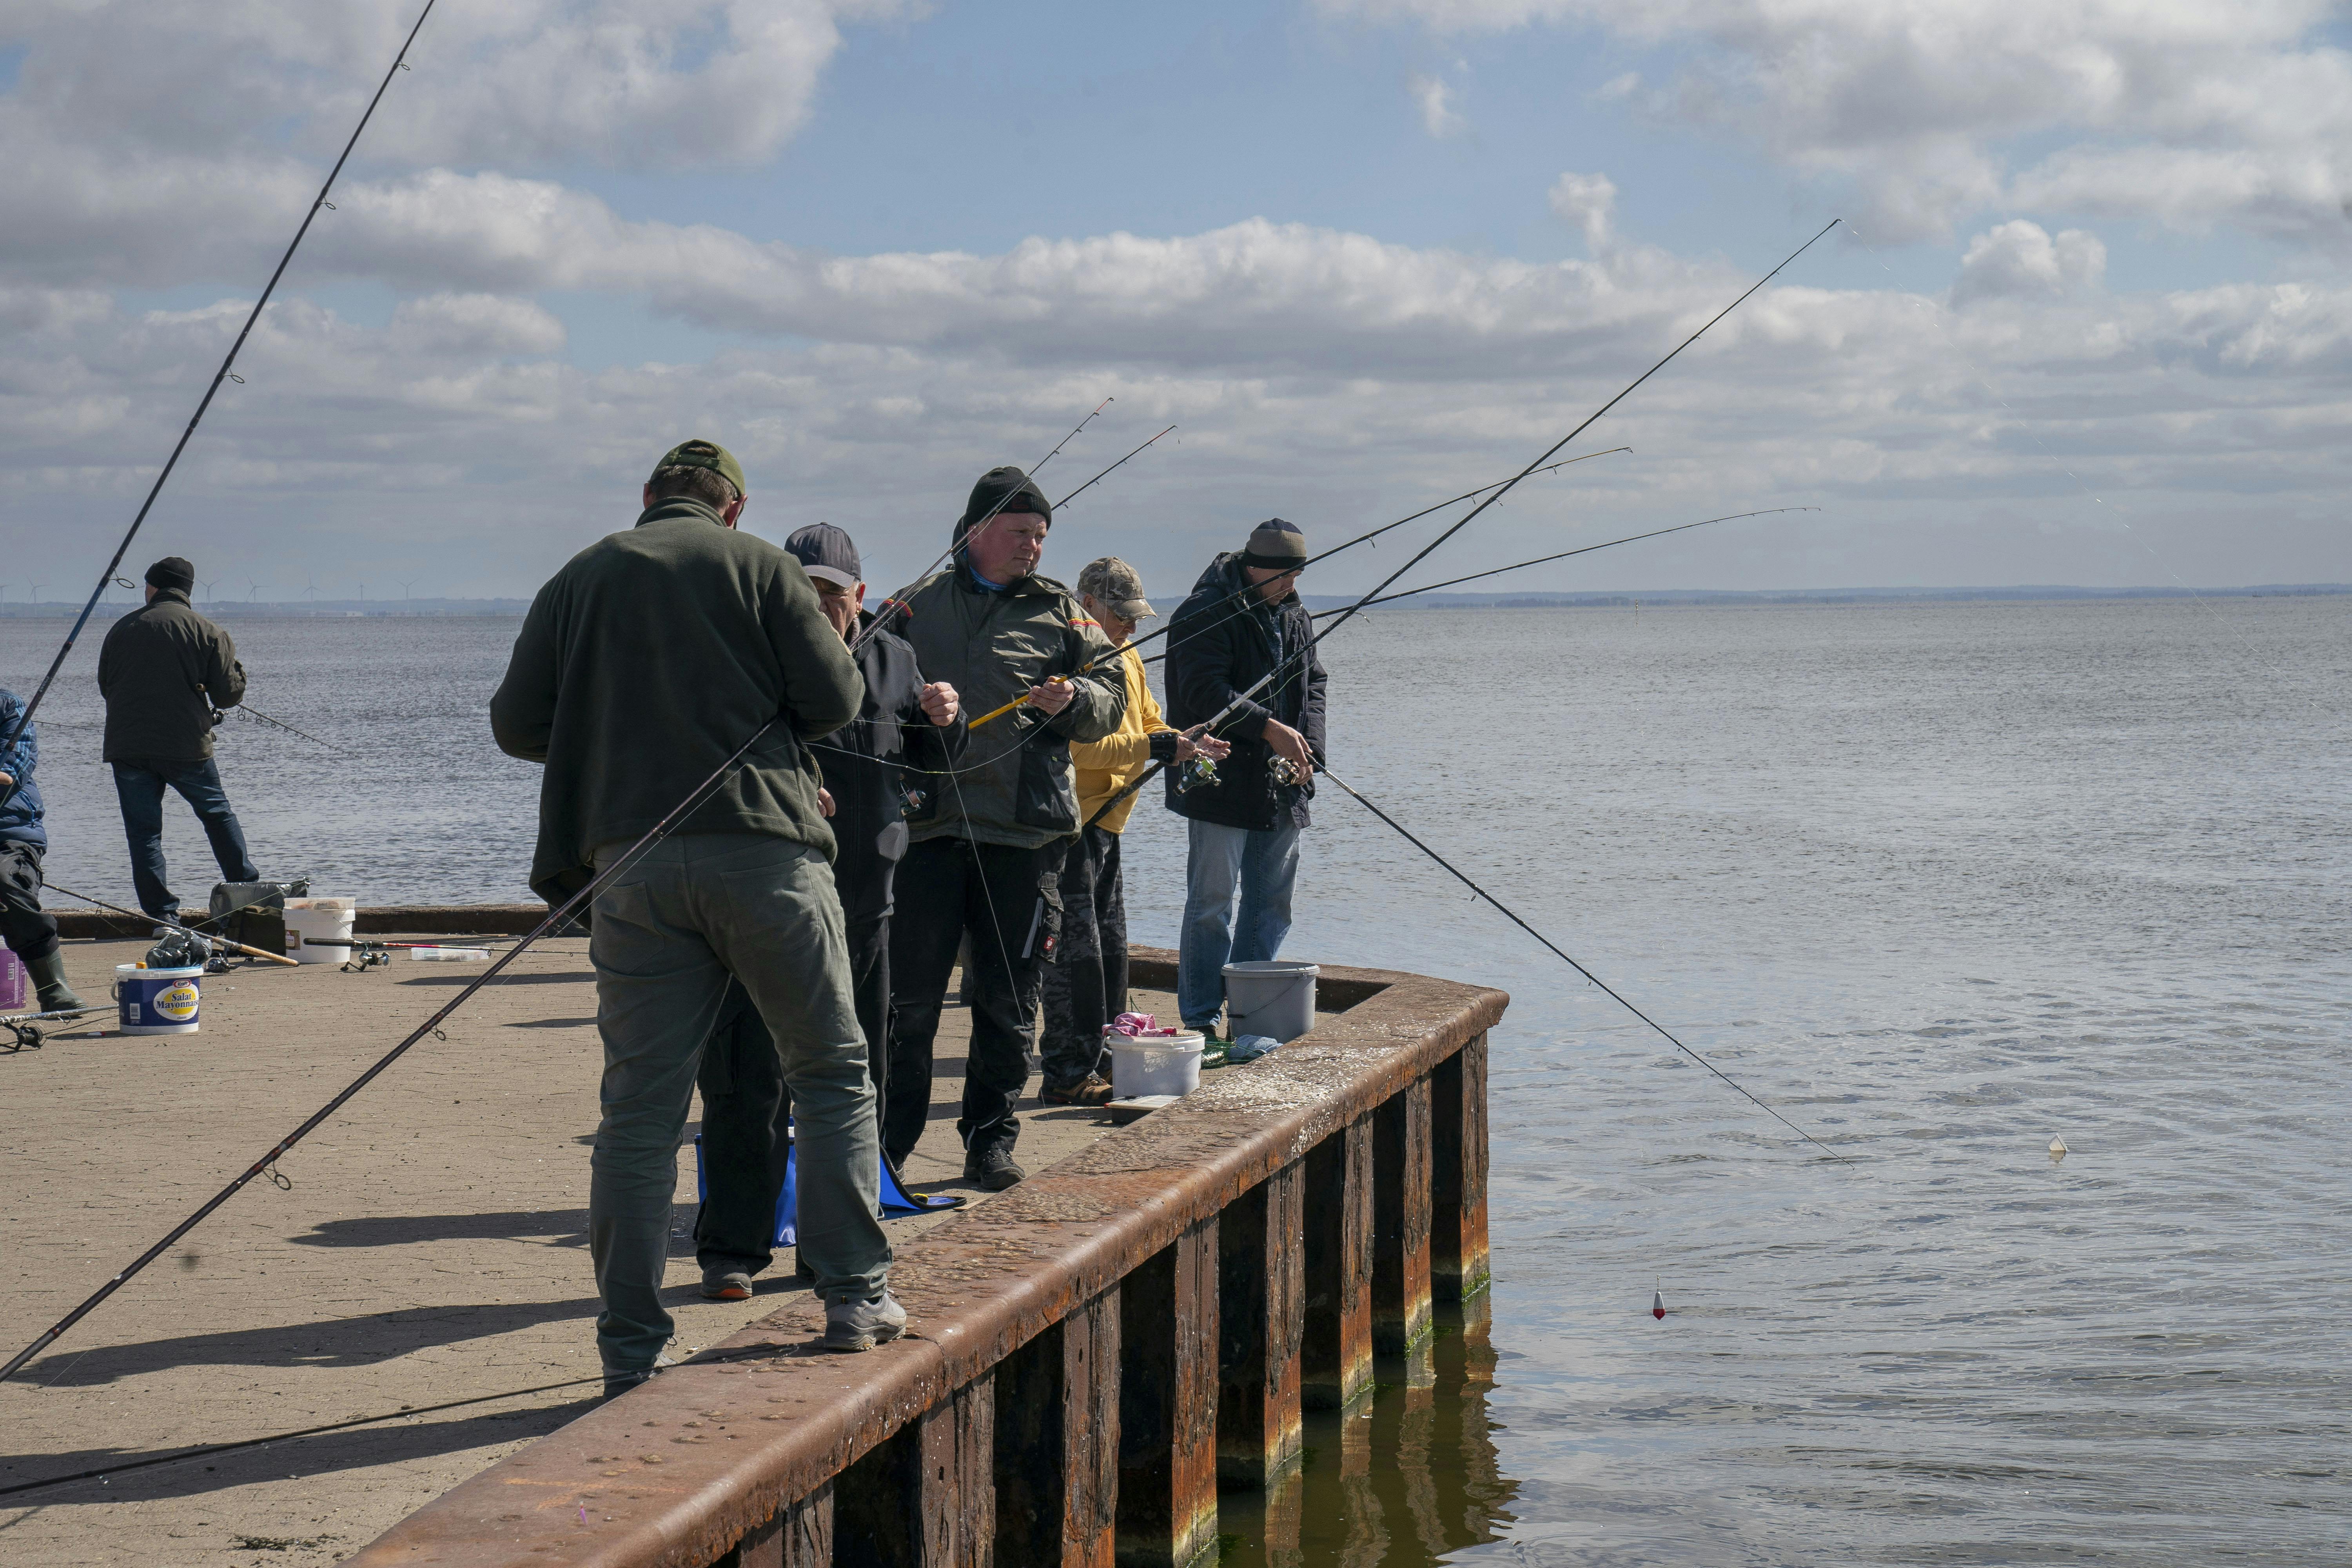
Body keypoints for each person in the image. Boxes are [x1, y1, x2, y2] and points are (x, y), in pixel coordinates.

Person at [490, 438, 902, 1376]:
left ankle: (630, 1346)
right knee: (831, 1073)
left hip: (629, 866)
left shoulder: (578, 577)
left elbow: (517, 725)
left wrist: (615, 731)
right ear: (733, 510)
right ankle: (853, 1295)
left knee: (638, 1109)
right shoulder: (760, 568)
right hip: (766, 855)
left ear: (647, 498)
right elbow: (836, 697)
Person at [690, 522, 965, 1303]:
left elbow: (932, 766)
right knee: (748, 1080)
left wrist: (950, 717)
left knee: (854, 1078)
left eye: (832, 597)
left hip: (867, 901)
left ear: (859, 598)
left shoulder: (897, 659)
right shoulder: (746, 657)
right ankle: (732, 1248)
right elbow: (708, 758)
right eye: (802, 594)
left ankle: (833, 1246)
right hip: (763, 901)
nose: (817, 609)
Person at [882, 466, 1127, 1191]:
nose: (1032, 548)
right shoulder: (912, 604)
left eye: (1041, 537)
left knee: (1008, 1002)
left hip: (1025, 838)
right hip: (926, 833)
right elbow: (862, 688)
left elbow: (1113, 698)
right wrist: (913, 710)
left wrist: (1074, 697)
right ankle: (890, 1150)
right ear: (977, 530)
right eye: (1019, 533)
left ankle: (989, 1143)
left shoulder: (1066, 614)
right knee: (909, 1006)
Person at [1038, 557, 1228, 1104]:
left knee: (1112, 954)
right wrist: (1155, 748)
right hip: (1070, 826)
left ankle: (1107, 1060)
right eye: (1121, 615)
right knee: (1076, 959)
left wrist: (1181, 740)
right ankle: (1067, 1074)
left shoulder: (1126, 658)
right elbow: (1080, 748)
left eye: (1136, 616)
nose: (1131, 625)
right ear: (1089, 606)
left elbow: (1149, 723)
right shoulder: (1067, 660)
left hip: (1108, 825)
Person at [1162, 519, 1327, 1034]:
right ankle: (1200, 1017)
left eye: (1297, 576)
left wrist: (1311, 749)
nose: (1290, 587)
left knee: (1272, 902)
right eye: (1282, 577)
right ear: (1254, 567)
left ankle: (1251, 1016)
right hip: (1219, 779)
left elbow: (1315, 683)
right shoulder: (1204, 611)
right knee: (1212, 903)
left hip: (1282, 781)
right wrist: (1269, 729)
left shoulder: (1295, 613)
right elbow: (1202, 690)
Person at [96, 556, 263, 920]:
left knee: (144, 835)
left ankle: (163, 918)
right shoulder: (207, 630)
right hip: (186, 746)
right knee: (217, 815)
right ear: (186, 591)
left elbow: (106, 687)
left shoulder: (121, 629)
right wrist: (236, 672)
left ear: (153, 588)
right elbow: (228, 696)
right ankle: (247, 894)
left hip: (128, 747)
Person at [0, 688, 86, 1013]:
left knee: (5, 881)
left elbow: (13, 767)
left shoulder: (8, 706)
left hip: (9, 834)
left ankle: (52, 987)